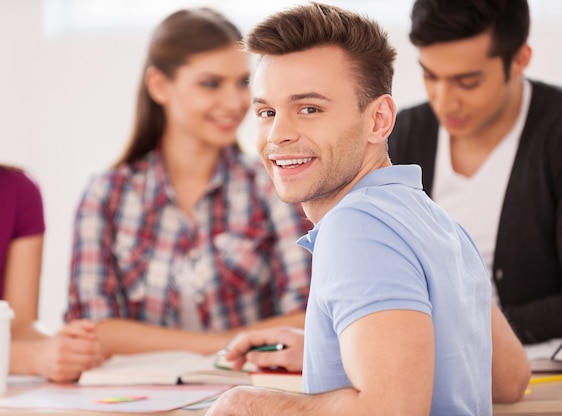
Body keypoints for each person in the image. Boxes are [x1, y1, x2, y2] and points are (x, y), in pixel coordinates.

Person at [205, 3, 530, 415]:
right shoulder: (435, 221)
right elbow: (509, 380)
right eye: (267, 111)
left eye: (309, 108)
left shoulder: (356, 228)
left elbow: (390, 410)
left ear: (379, 120)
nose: (278, 134)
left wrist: (245, 405)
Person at [65, 8, 312, 356]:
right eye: (210, 83)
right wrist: (220, 346)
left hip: (245, 394)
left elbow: (307, 318)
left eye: (242, 82)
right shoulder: (106, 194)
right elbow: (91, 330)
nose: (234, 102)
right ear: (159, 85)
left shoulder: (273, 184)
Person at [0, 18, 103, 382]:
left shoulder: (16, 193)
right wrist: (30, 358)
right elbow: (23, 352)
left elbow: (21, 325)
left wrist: (63, 345)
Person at [388, 0, 562, 344]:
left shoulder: (554, 136)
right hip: (421, 356)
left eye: (467, 81)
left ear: (519, 61)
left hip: (538, 366)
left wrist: (464, 331)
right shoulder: (402, 134)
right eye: (430, 75)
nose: (445, 101)